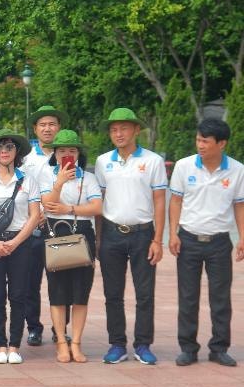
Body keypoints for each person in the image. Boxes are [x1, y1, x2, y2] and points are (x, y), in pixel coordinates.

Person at [168, 118, 244, 367]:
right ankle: (188, 348)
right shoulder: (184, 166)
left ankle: (219, 348)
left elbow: (239, 206)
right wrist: (173, 233)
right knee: (188, 297)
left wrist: (242, 238)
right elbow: (176, 201)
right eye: (198, 139)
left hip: (220, 242)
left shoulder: (237, 170)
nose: (200, 145)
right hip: (189, 239)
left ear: (221, 144)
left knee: (220, 298)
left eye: (205, 141)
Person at [95, 108, 167, 365]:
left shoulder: (153, 161)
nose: (119, 133)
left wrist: (158, 239)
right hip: (112, 233)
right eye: (114, 129)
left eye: (124, 128)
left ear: (136, 130)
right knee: (113, 294)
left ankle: (143, 344)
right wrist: (98, 239)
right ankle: (117, 344)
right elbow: (99, 201)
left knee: (145, 293)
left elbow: (160, 202)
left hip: (142, 234)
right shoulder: (103, 161)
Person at [38, 130, 102, 363]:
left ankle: (76, 343)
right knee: (57, 291)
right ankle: (61, 343)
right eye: (62, 150)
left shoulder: (89, 177)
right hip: (56, 232)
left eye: (72, 151)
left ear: (78, 153)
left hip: (82, 233)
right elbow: (48, 204)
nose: (67, 154)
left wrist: (70, 209)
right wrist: (60, 183)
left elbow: (97, 207)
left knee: (80, 293)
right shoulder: (47, 175)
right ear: (55, 153)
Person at [0, 129, 42, 365]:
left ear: (17, 151)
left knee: (18, 295)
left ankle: (15, 344)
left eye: (9, 147)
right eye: (0, 147)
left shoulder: (28, 179)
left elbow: (34, 215)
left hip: (21, 242)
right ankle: (1, 344)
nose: (4, 151)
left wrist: (16, 242)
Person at [21, 104, 65, 347]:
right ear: (36, 129)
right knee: (30, 283)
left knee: (60, 281)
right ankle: (34, 328)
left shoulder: (66, 156)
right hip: (32, 227)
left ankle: (61, 330)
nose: (48, 129)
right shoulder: (26, 158)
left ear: (59, 127)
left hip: (59, 226)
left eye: (52, 124)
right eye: (43, 125)